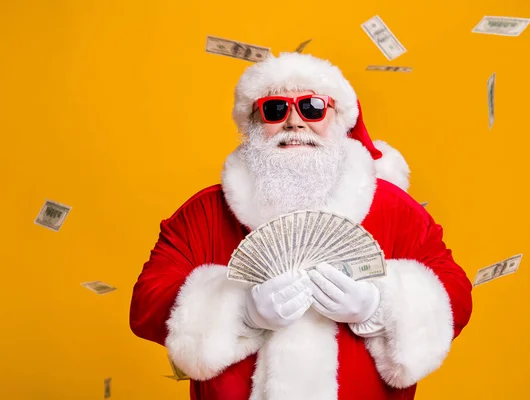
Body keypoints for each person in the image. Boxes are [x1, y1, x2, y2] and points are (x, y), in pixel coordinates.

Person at [129, 52, 473, 400]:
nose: (294, 122)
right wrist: (241, 310)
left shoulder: (396, 209)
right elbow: (145, 305)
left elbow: (457, 296)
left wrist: (378, 304)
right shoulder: (203, 212)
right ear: (253, 123)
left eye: (312, 107)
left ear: (337, 119)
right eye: (275, 109)